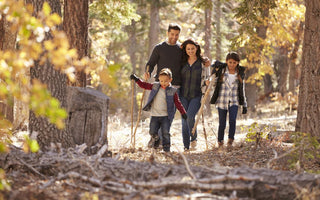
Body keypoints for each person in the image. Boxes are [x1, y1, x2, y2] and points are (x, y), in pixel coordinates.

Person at [130, 68, 187, 152]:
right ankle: (156, 139)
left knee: (165, 133)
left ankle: (166, 149)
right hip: (155, 115)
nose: (163, 83)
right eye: (161, 81)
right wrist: (136, 79)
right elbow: (144, 85)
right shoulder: (155, 86)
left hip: (166, 116)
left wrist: (183, 112)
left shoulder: (172, 91)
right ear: (159, 80)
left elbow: (177, 103)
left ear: (170, 80)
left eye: (166, 81)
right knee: (152, 131)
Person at [209, 52, 247, 149]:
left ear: (237, 63)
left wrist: (244, 104)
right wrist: (209, 80)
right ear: (226, 62)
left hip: (234, 100)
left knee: (232, 120)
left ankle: (230, 140)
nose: (232, 65)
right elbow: (214, 82)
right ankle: (220, 141)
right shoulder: (221, 71)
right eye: (230, 62)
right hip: (222, 100)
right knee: (222, 122)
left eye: (234, 63)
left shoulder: (239, 74)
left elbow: (242, 89)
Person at [180, 38, 210, 151]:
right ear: (185, 49)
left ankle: (193, 138)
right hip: (183, 95)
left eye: (193, 48)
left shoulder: (203, 63)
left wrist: (207, 82)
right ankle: (186, 145)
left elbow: (208, 76)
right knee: (184, 119)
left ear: (196, 48)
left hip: (196, 95)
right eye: (188, 49)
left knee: (190, 116)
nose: (191, 50)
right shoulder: (182, 61)